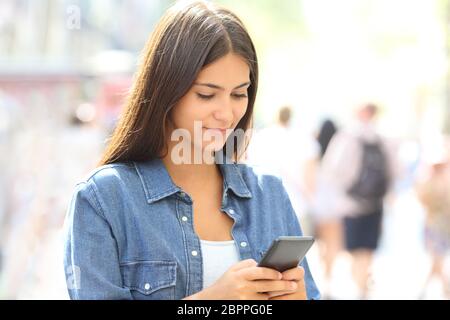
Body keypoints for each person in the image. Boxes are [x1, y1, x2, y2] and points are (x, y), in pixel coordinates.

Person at [63, 0, 320, 300]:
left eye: (239, 94)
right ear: (166, 89)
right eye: (207, 95)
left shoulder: (269, 193)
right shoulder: (103, 199)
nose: (226, 113)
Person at [321, 103, 395, 299]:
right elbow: (395, 170)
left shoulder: (347, 136)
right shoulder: (383, 137)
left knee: (352, 249)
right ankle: (361, 287)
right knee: (367, 249)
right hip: (375, 203)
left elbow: (331, 169)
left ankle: (357, 285)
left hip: (349, 204)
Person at [311, 118, 342, 298]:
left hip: (316, 205)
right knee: (331, 245)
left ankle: (320, 279)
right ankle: (327, 280)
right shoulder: (337, 152)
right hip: (334, 207)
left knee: (318, 245)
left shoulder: (314, 152)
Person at [415, 142, 450, 299]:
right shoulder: (428, 181)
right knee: (437, 260)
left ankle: (438, 288)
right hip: (434, 225)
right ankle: (444, 288)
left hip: (441, 226)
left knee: (437, 260)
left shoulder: (443, 181)